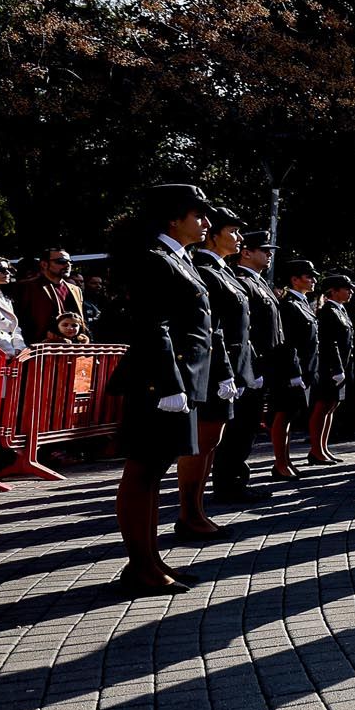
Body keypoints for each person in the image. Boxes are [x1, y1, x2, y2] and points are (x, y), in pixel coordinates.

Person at [106, 183, 215, 595]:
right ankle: (140, 565)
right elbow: (154, 325)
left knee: (153, 473)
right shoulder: (153, 258)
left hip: (178, 378)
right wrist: (169, 384)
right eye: (197, 214)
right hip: (160, 381)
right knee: (142, 472)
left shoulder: (175, 257)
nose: (205, 223)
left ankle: (149, 559)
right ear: (173, 218)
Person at [173, 207, 250, 541]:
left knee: (211, 442)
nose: (239, 238)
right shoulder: (205, 269)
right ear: (214, 235)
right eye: (232, 231)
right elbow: (211, 329)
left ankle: (197, 510)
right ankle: (190, 513)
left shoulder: (223, 270)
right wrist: (223, 372)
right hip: (211, 368)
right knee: (201, 444)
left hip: (225, 366)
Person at [212, 231, 281, 502]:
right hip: (248, 365)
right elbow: (243, 330)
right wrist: (250, 368)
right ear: (247, 253)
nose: (269, 254)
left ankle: (237, 478)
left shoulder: (258, 282)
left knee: (249, 426)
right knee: (238, 427)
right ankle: (228, 483)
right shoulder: (241, 281)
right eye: (263, 249)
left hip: (261, 365)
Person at [271, 259, 320, 482]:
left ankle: (286, 460)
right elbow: (287, 342)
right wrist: (294, 373)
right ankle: (280, 463)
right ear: (294, 279)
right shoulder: (289, 304)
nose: (313, 280)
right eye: (308, 276)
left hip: (304, 370)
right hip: (291, 371)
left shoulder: (302, 302)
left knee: (291, 416)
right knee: (283, 416)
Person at [308, 274, 355, 465]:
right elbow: (330, 342)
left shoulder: (340, 310)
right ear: (333, 291)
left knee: (331, 407)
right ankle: (316, 450)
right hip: (329, 368)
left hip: (341, 366)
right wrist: (336, 368)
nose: (350, 291)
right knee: (322, 408)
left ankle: (323, 448)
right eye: (346, 288)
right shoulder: (328, 311)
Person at [13, 247, 83, 345]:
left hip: (72, 348)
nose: (67, 265)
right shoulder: (26, 287)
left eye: (69, 262)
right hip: (39, 348)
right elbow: (19, 320)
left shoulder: (75, 289)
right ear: (44, 264)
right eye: (61, 261)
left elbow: (81, 320)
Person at [0, 255, 27, 360]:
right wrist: (9, 350)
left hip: (7, 355)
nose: (8, 273)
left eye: (8, 269)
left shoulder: (4, 296)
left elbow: (14, 327)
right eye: (1, 270)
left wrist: (19, 348)